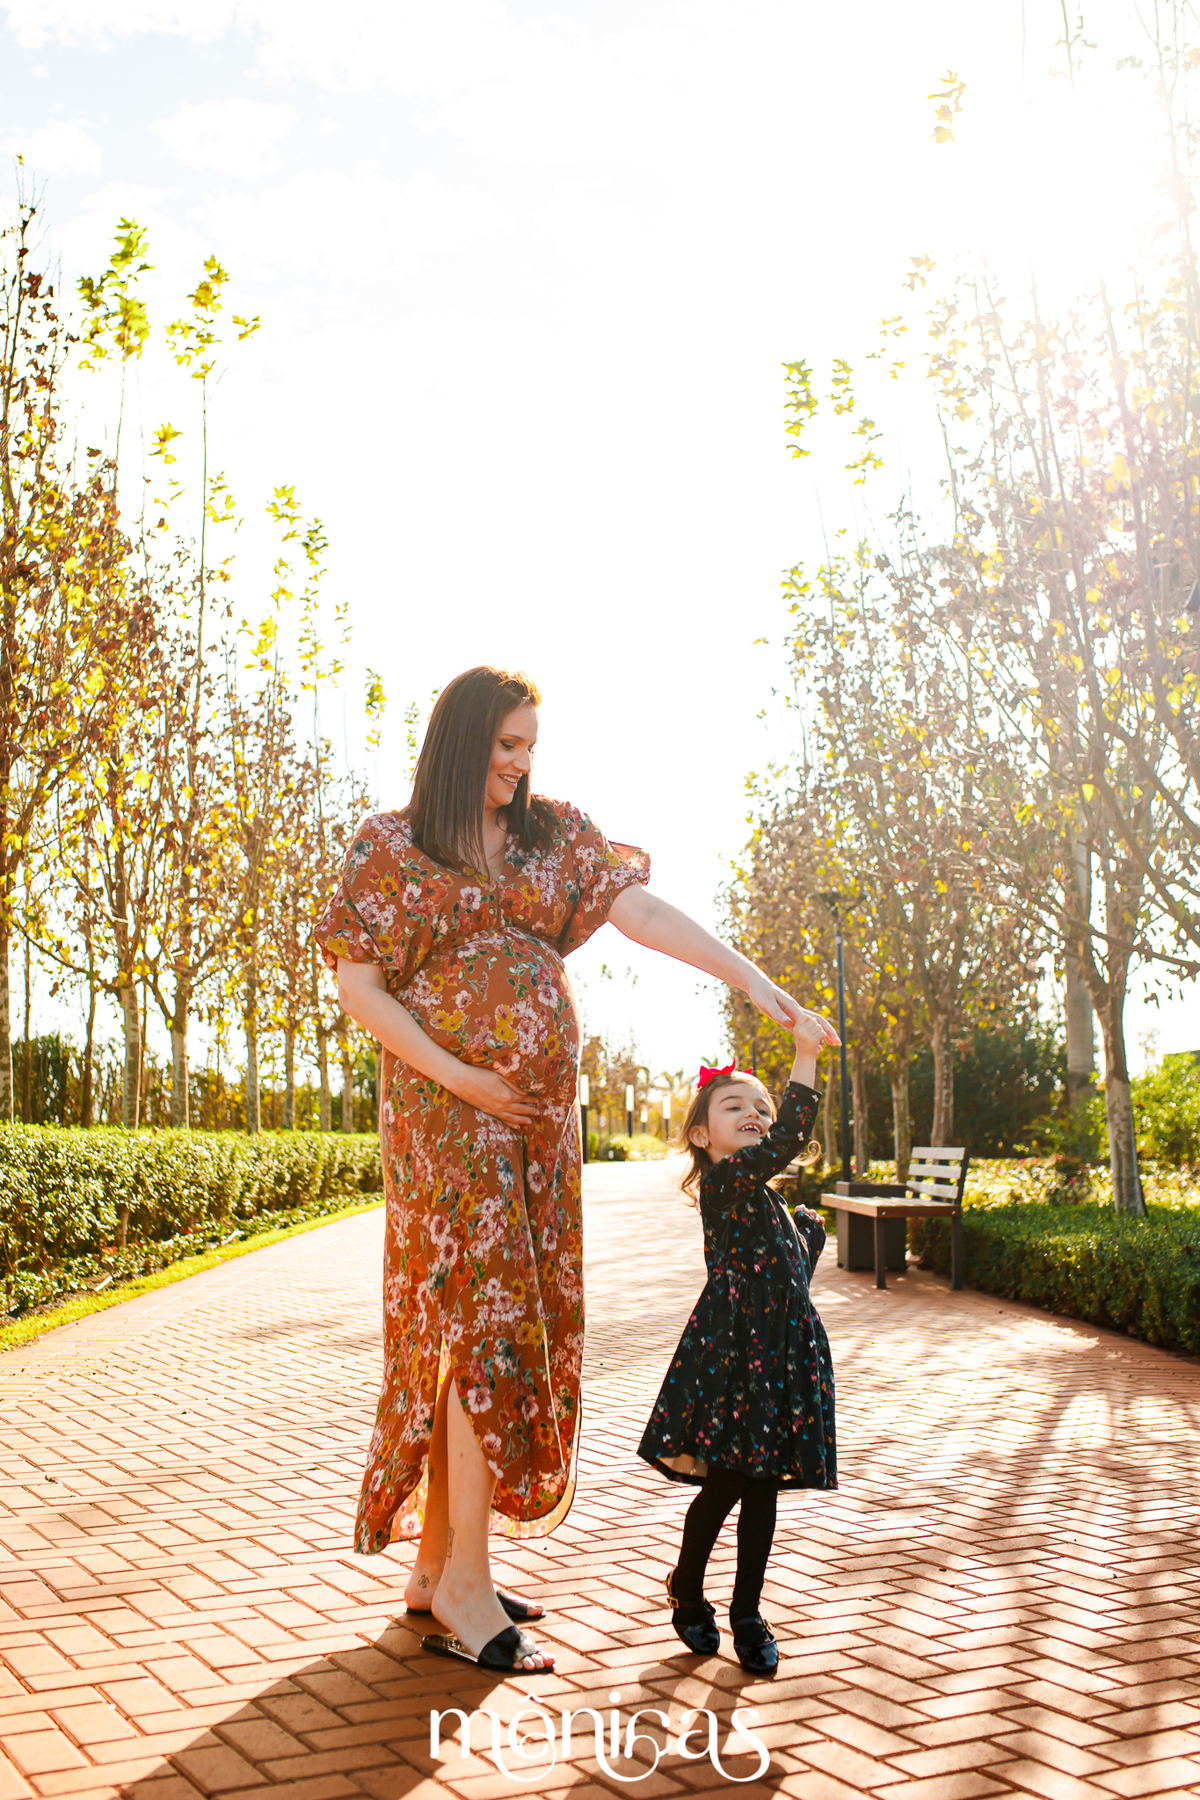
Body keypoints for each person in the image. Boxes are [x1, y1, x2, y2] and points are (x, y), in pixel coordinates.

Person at [316, 664, 829, 1675]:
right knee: (480, 1322)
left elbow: (644, 914)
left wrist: (755, 983)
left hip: (539, 1129)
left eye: (531, 747)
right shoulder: (392, 846)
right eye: (506, 745)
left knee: (503, 1325)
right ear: (461, 740)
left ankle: (439, 1568)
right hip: (445, 1119)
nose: (521, 764)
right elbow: (359, 986)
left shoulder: (551, 836)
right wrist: (464, 1075)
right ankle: (464, 1590)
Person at [637, 1009, 838, 1678]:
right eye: (735, 1106)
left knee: (764, 1488)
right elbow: (788, 1138)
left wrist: (808, 1239)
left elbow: (788, 1282)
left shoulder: (773, 1204)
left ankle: (748, 1611)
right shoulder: (724, 1185)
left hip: (781, 1357)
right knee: (725, 1484)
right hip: (732, 1359)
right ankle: (688, 1588)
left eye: (761, 1105)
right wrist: (805, 1054)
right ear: (703, 1136)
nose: (754, 1112)